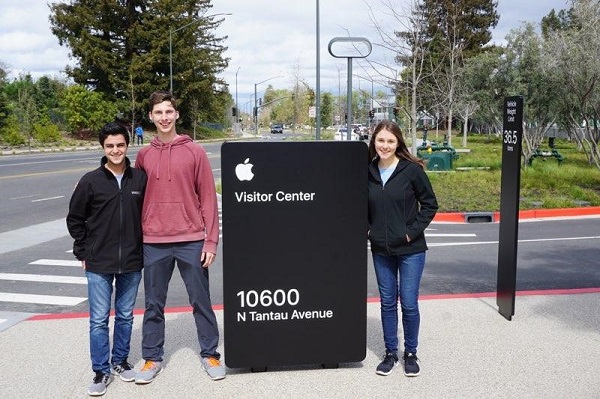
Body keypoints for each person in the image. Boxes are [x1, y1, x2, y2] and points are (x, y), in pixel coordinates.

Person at [134, 90, 224, 383]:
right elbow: (136, 200)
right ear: (150, 117)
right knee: (153, 304)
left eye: (168, 112)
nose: (164, 117)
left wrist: (211, 240)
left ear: (176, 115)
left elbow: (208, 198)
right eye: (158, 113)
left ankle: (210, 353)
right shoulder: (144, 155)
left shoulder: (194, 152)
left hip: (191, 239)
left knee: (201, 300)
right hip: (154, 241)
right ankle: (151, 358)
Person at [66, 122, 147, 396]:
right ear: (103, 148)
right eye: (110, 146)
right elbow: (75, 219)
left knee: (124, 316)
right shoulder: (91, 180)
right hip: (98, 262)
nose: (116, 150)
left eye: (120, 145)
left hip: (133, 261)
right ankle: (100, 371)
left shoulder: (140, 179)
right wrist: (83, 251)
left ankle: (120, 362)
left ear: (128, 145)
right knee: (99, 319)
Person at [367, 120, 438, 377]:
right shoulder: (368, 171)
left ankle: (410, 353)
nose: (384, 145)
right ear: (374, 141)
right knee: (387, 302)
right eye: (380, 140)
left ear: (398, 143)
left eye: (390, 141)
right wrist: (369, 229)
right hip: (381, 249)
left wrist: (411, 232)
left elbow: (430, 204)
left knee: (408, 303)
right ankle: (390, 353)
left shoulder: (411, 171)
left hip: (411, 250)